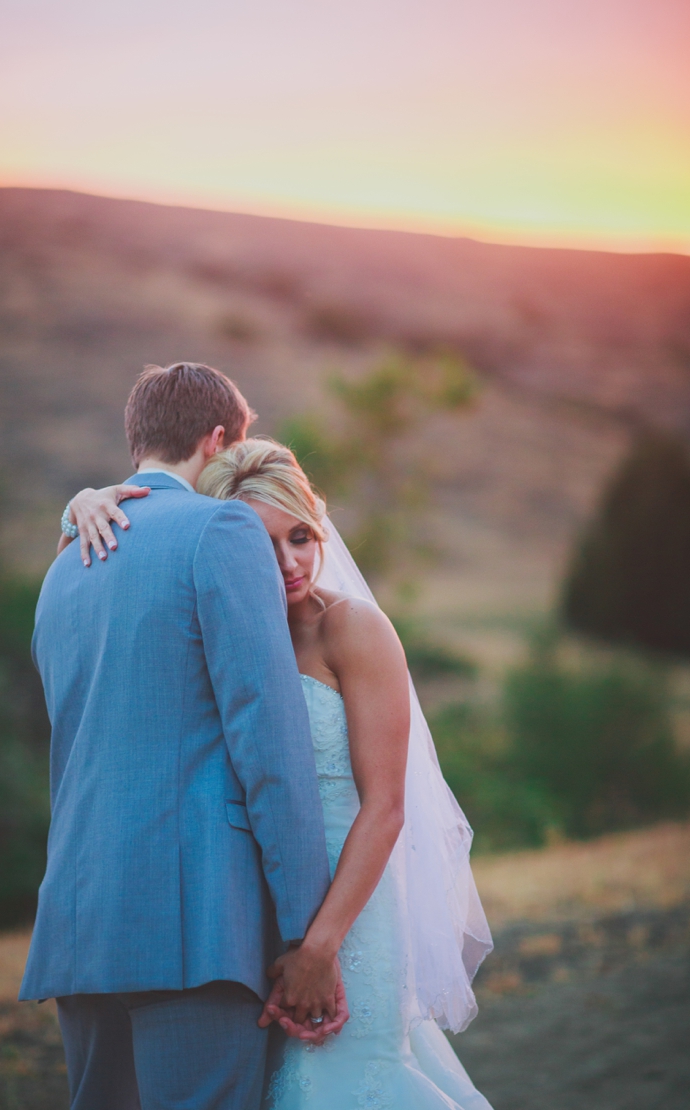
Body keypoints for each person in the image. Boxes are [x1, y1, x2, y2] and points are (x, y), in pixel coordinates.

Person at [67, 428, 495, 1108]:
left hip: (348, 914)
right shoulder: (209, 627)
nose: (289, 561)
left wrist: (320, 947)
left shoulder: (353, 629)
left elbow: (385, 807)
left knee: (345, 1081)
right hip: (245, 914)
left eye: (300, 535)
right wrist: (80, 505)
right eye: (262, 544)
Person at [21, 363, 346, 1110]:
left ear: (137, 442)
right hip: (196, 921)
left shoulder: (65, 562)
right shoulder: (222, 527)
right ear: (220, 439)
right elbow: (270, 744)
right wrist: (305, 937)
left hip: (79, 920)